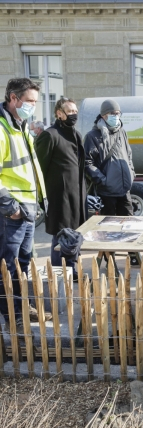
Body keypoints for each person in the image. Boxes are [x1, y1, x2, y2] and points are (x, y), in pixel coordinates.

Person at [0, 77, 49, 330]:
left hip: (27, 208)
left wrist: (37, 201)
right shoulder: (2, 128)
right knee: (7, 265)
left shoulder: (20, 125)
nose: (33, 106)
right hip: (12, 211)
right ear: (13, 99)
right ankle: (12, 315)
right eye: (29, 101)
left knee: (23, 262)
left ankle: (22, 306)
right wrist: (11, 207)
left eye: (35, 102)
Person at [84, 99, 143, 268]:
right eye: (112, 114)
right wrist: (103, 180)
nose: (116, 116)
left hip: (124, 189)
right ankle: (110, 260)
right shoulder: (93, 136)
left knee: (129, 224)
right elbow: (87, 162)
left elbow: (128, 154)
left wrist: (131, 173)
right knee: (109, 228)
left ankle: (133, 256)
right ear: (103, 115)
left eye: (118, 113)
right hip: (106, 190)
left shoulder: (121, 131)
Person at [35, 97, 86, 280]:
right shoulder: (50, 135)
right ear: (59, 113)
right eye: (69, 111)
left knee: (75, 235)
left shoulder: (76, 134)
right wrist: (41, 199)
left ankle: (73, 271)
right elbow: (39, 169)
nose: (73, 114)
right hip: (59, 197)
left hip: (77, 196)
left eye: (75, 111)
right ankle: (59, 276)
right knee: (61, 237)